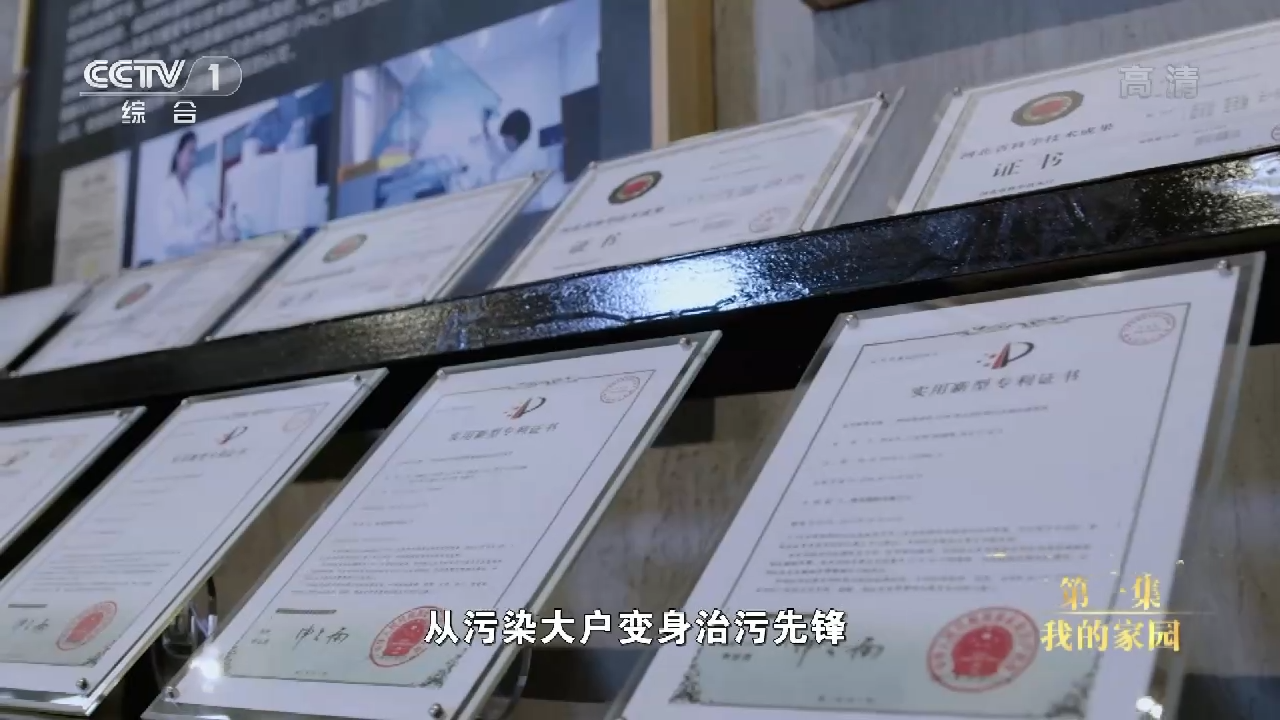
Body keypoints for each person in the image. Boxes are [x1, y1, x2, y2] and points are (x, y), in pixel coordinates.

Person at [154, 130, 222, 261]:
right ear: (178, 155)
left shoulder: (196, 191)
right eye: (190, 152)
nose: (193, 160)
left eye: (195, 154)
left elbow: (206, 224)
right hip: (174, 264)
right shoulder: (166, 191)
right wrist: (199, 230)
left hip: (197, 261)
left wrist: (212, 217)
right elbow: (169, 238)